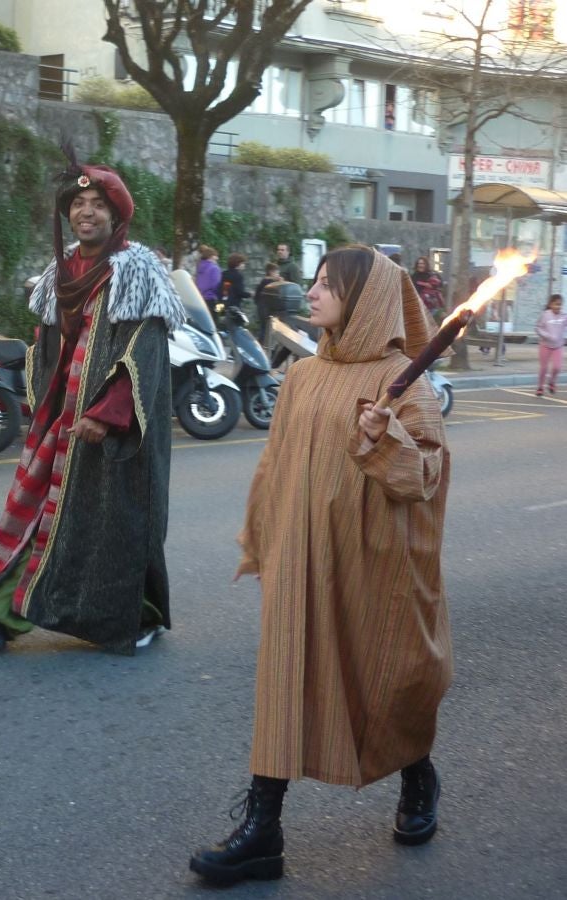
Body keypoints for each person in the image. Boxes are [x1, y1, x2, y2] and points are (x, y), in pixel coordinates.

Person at [190, 246, 453, 885]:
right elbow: (275, 462)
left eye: (327, 285)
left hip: (375, 564)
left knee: (387, 678)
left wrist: (383, 439)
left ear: (363, 302)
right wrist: (264, 537)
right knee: (284, 682)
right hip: (301, 557)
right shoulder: (304, 376)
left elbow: (423, 475)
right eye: (314, 281)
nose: (310, 293)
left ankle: (418, 776)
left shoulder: (404, 381)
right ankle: (263, 829)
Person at [0, 157, 185, 655]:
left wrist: (107, 414)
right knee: (38, 514)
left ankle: (135, 616)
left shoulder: (137, 271)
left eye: (97, 205)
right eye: (78, 204)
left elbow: (145, 351)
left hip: (109, 428)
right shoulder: (62, 271)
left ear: (116, 215)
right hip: (60, 420)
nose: (86, 213)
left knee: (112, 526)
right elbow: (50, 344)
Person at [534, 293, 566, 396]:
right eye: (556, 304)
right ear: (551, 304)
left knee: (557, 367)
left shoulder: (563, 316)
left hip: (558, 346)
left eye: (560, 305)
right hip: (545, 345)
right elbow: (537, 328)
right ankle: (540, 387)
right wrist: (546, 335)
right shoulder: (545, 315)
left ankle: (552, 382)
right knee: (544, 368)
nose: (558, 307)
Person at [253, 262, 283, 341]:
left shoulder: (263, 281)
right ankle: (264, 347)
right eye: (277, 272)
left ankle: (261, 346)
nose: (278, 274)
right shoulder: (270, 283)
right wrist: (281, 282)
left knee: (263, 328)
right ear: (271, 272)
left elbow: (256, 297)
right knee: (266, 329)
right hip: (267, 309)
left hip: (261, 307)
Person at [411, 256, 445, 321]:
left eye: (422, 263)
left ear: (426, 264)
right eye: (419, 263)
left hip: (432, 307)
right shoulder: (414, 276)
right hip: (418, 306)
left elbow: (439, 285)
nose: (420, 265)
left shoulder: (432, 275)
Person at [195, 245, 221, 314]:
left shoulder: (199, 267)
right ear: (211, 256)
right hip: (213, 299)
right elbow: (216, 285)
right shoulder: (214, 268)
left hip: (201, 299)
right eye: (216, 256)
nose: (217, 258)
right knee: (215, 320)